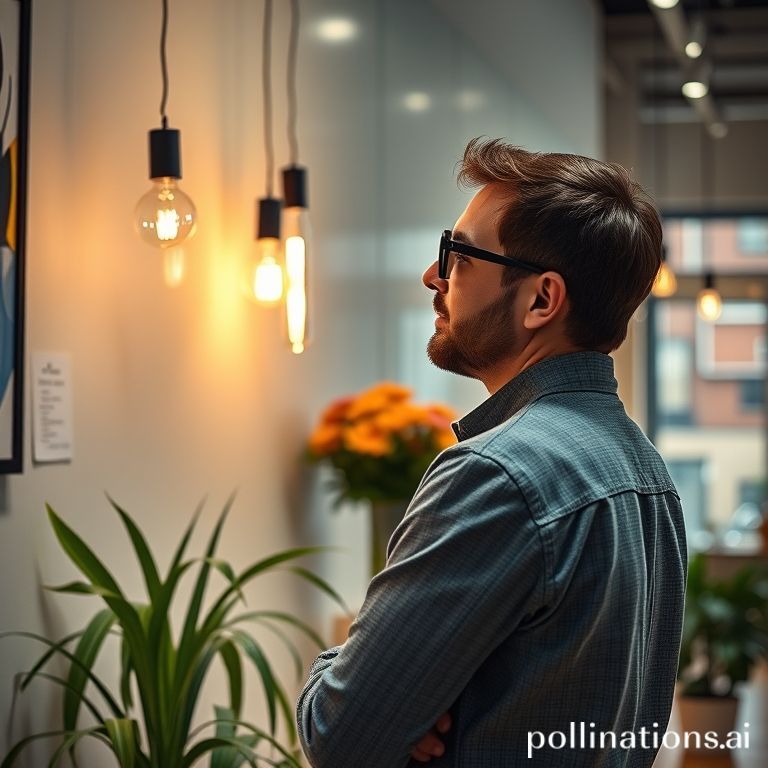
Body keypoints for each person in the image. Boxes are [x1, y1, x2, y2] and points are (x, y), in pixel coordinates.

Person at [296, 138, 687, 767]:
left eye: (457, 255)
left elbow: (339, 735)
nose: (434, 276)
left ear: (541, 300)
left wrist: (351, 663)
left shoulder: (497, 474)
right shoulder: (645, 471)